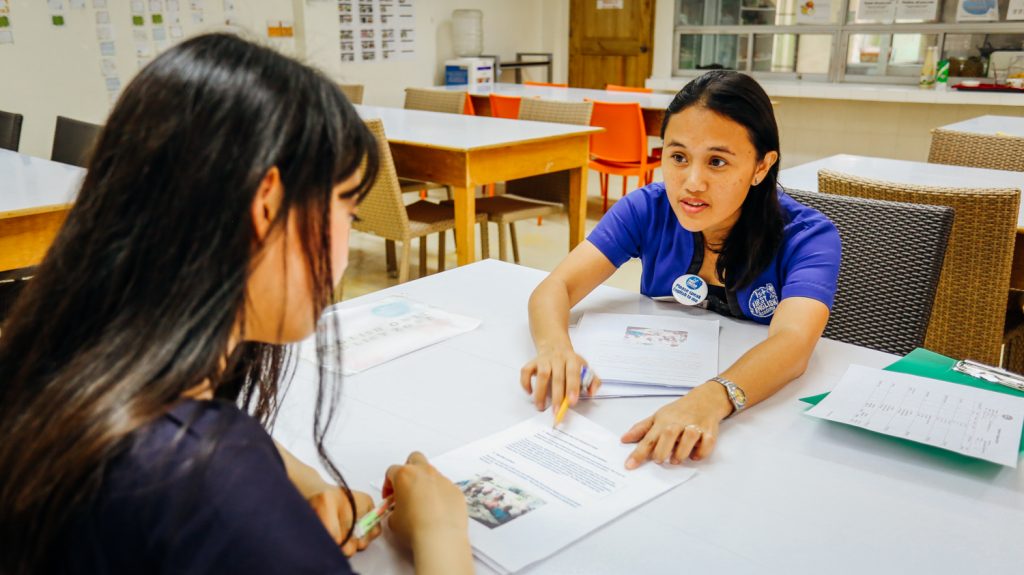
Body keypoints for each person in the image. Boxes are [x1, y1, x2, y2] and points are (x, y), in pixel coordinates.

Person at [0, 34, 472, 575]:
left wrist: (310, 484)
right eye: (349, 213)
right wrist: (441, 533)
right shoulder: (210, 485)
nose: (348, 242)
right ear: (267, 205)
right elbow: (219, 487)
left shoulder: (63, 362)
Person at [520, 70, 841, 470]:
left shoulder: (808, 237)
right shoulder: (647, 209)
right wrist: (555, 348)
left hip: (761, 422)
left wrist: (709, 399)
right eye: (678, 157)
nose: (691, 182)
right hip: (636, 401)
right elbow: (556, 286)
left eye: (717, 162)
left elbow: (794, 344)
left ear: (761, 166)